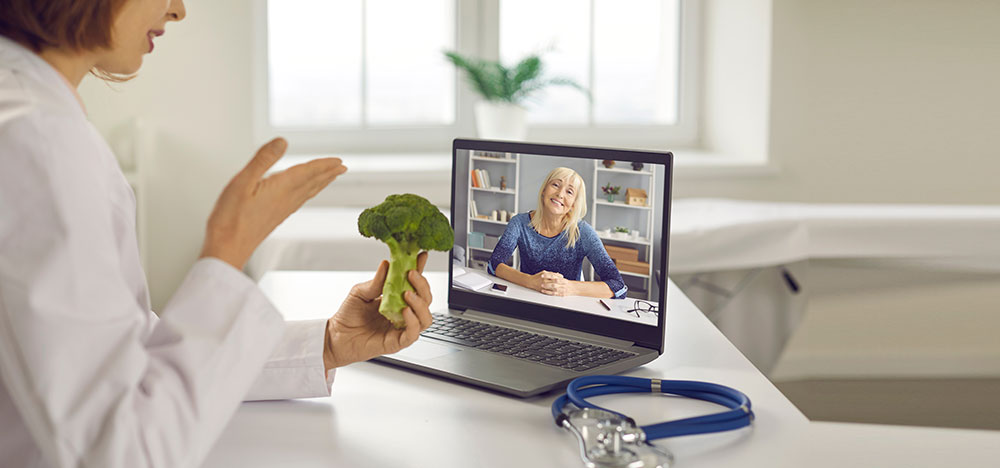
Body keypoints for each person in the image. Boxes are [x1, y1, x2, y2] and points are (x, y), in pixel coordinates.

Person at [0, 1, 434, 466]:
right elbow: (120, 451)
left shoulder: (40, 118)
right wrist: (228, 249)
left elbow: (126, 354)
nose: (178, 9)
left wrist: (327, 343)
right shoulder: (38, 141)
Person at [488, 167, 627, 299]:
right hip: (527, 301)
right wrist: (530, 281)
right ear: (543, 190)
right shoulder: (519, 223)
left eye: (569, 192)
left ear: (573, 204)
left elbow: (618, 286)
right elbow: (494, 264)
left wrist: (571, 287)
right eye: (555, 185)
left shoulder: (583, 232)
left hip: (567, 308)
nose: (560, 194)